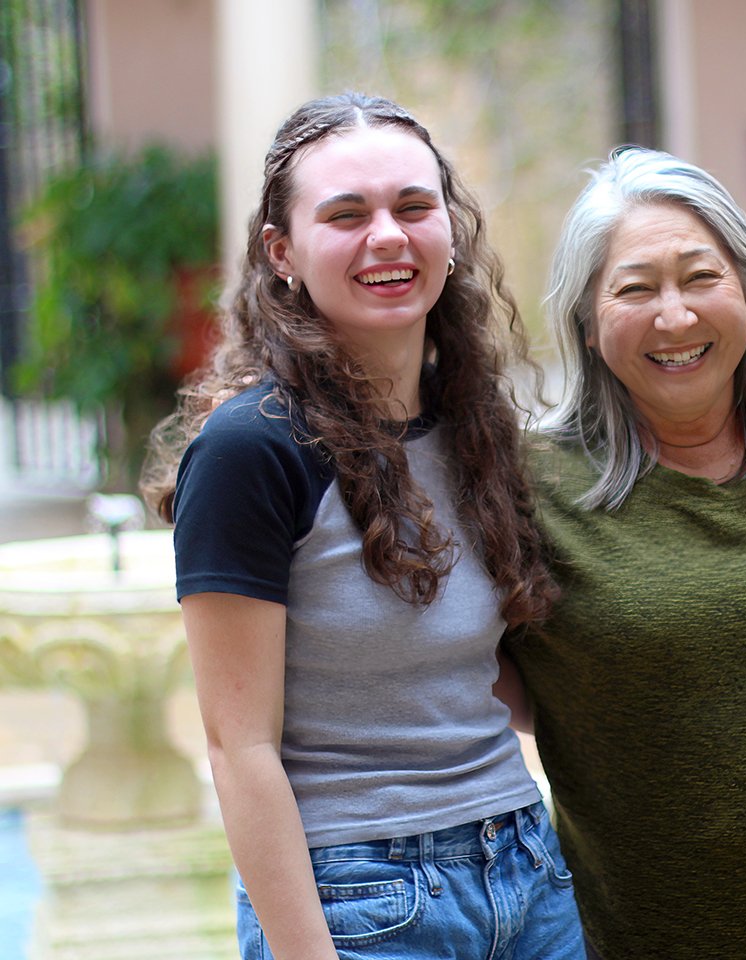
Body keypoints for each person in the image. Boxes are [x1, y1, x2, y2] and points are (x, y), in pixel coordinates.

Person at [143, 92, 585, 960]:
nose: (388, 236)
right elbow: (240, 751)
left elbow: (478, 678)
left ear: (449, 233)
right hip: (357, 896)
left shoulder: (473, 424)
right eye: (346, 215)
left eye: (413, 207)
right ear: (283, 253)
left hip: (525, 869)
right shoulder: (252, 450)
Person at [502, 146, 746, 959]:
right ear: (586, 319)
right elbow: (476, 681)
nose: (675, 317)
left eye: (700, 277)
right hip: (631, 939)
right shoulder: (525, 485)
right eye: (635, 288)